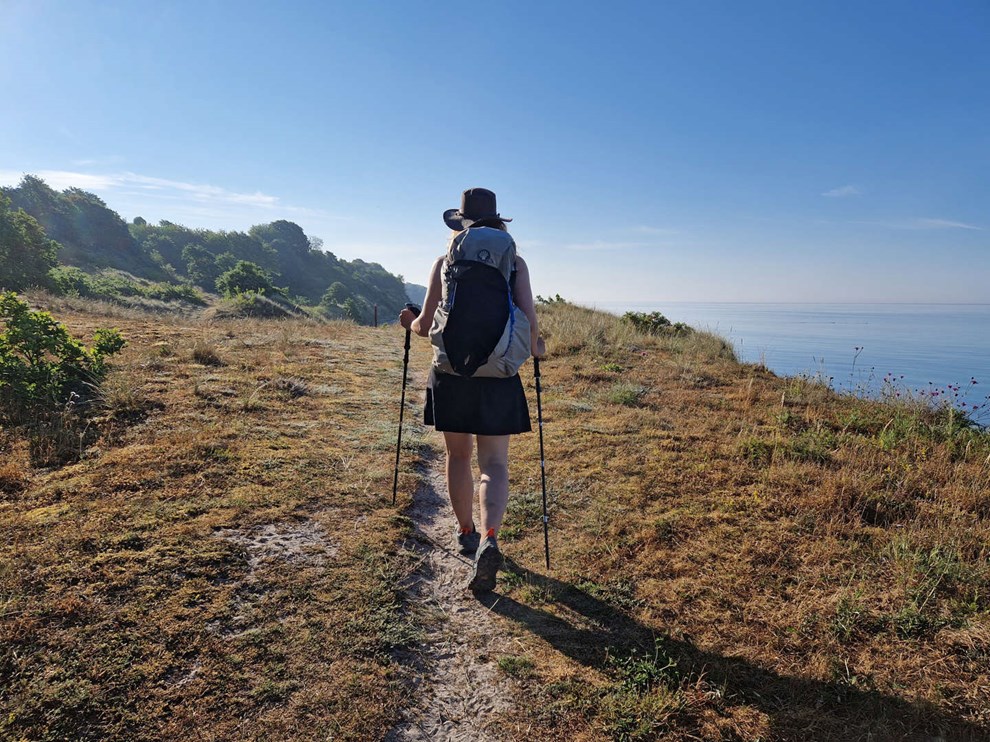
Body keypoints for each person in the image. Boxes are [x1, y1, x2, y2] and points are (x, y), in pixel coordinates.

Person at [399, 187, 545, 592]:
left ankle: (465, 531)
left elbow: (426, 326)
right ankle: (490, 537)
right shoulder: (515, 263)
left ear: (460, 224)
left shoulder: (443, 263)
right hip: (499, 375)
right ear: (499, 222)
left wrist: (408, 322)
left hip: (451, 375)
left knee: (457, 456)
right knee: (494, 464)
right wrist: (536, 348)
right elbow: (530, 321)